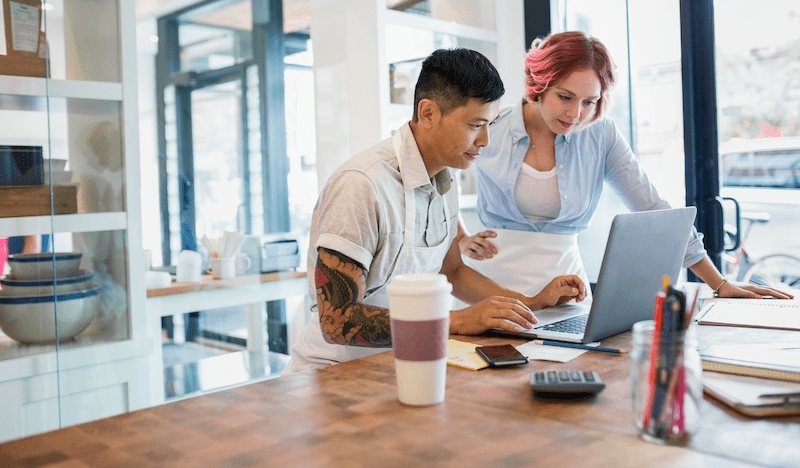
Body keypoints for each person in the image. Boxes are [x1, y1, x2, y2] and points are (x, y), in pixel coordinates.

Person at [286, 48, 587, 372]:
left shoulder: (445, 180)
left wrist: (526, 303)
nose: (485, 140)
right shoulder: (361, 185)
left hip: (400, 365)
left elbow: (452, 272)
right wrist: (453, 321)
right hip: (331, 375)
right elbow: (338, 321)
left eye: (489, 125)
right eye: (476, 125)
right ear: (428, 113)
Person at [458, 30, 794, 300]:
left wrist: (719, 283)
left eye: (590, 102)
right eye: (565, 97)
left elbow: (654, 209)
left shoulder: (600, 135)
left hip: (564, 292)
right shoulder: (494, 126)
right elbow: (438, 175)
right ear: (540, 84)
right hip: (490, 287)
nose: (575, 114)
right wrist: (459, 236)